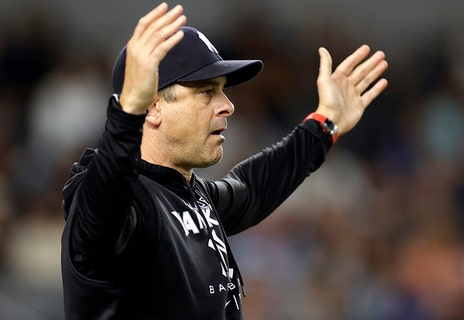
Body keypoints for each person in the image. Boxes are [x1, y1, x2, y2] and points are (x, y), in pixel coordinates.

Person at [61, 3, 388, 319]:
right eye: (206, 92)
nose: (227, 105)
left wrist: (324, 123)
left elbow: (254, 186)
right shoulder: (118, 206)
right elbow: (104, 202)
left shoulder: (187, 194)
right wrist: (127, 110)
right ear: (152, 107)